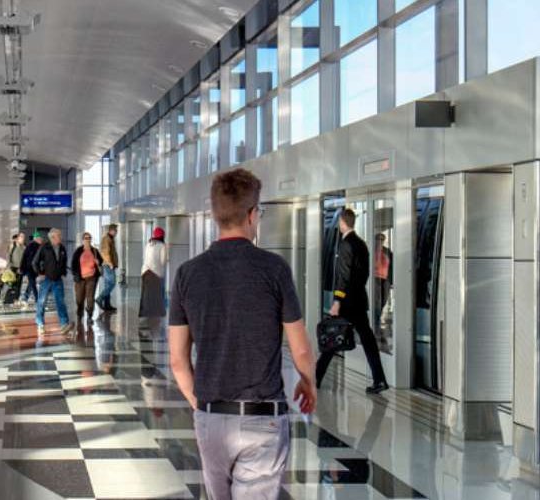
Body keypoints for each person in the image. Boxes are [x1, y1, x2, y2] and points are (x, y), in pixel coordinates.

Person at [168, 168, 318, 500]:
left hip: (211, 417)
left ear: (214, 215)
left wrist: (203, 405)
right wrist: (308, 382)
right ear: (252, 215)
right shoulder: (274, 268)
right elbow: (301, 349)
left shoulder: (187, 274)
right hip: (262, 419)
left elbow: (178, 361)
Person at [316, 208, 391, 394]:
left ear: (342, 222)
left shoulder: (346, 245)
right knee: (367, 339)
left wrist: (337, 300)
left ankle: (315, 379)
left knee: (332, 338)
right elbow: (364, 274)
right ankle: (379, 379)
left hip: (346, 302)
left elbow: (343, 275)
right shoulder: (361, 244)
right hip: (358, 300)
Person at [34, 228, 71, 333]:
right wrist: (40, 273)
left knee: (60, 301)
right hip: (46, 280)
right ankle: (40, 323)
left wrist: (63, 272)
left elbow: (64, 261)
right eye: (59, 235)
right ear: (53, 237)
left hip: (57, 279)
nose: (61, 237)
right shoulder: (44, 247)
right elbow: (34, 262)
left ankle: (64, 323)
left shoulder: (62, 248)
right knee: (42, 302)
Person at [70, 232, 104, 324]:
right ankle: (80, 313)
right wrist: (75, 274)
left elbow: (101, 260)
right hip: (80, 279)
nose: (88, 239)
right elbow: (73, 264)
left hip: (92, 277)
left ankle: (89, 315)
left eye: (89, 237)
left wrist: (98, 262)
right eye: (86, 238)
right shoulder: (78, 251)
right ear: (83, 240)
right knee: (79, 298)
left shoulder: (95, 251)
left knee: (90, 297)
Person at [139, 227, 169, 328]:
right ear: (162, 236)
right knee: (156, 295)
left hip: (145, 272)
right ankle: (155, 316)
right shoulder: (162, 246)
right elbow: (163, 261)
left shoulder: (148, 244)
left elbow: (145, 258)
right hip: (155, 273)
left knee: (146, 295)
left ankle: (145, 314)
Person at [372, 233, 393, 330]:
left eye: (382, 240)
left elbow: (392, 265)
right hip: (375, 279)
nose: (380, 242)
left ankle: (377, 317)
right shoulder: (371, 251)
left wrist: (392, 280)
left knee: (383, 300)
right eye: (378, 240)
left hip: (385, 280)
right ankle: (375, 321)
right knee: (376, 301)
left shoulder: (387, 252)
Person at [98, 224, 121, 311]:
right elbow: (104, 252)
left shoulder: (110, 238)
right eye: (115, 230)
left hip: (109, 265)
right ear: (111, 230)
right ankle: (100, 298)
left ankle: (107, 305)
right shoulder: (106, 238)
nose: (117, 232)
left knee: (108, 284)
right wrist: (110, 263)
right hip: (108, 265)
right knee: (112, 283)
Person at [5, 232, 28, 305]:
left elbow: (25, 258)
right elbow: (8, 257)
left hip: (20, 268)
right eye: (22, 237)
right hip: (13, 268)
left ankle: (16, 299)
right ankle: (9, 298)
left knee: (19, 285)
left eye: (24, 237)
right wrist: (9, 268)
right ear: (18, 238)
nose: (23, 239)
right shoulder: (12, 246)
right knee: (11, 284)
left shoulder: (24, 247)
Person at [22, 231, 44, 303]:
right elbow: (25, 257)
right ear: (37, 239)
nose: (42, 240)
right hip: (30, 269)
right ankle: (37, 298)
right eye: (40, 239)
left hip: (33, 269)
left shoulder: (37, 246)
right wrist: (22, 268)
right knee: (33, 283)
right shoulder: (33, 246)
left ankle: (26, 296)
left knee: (31, 283)